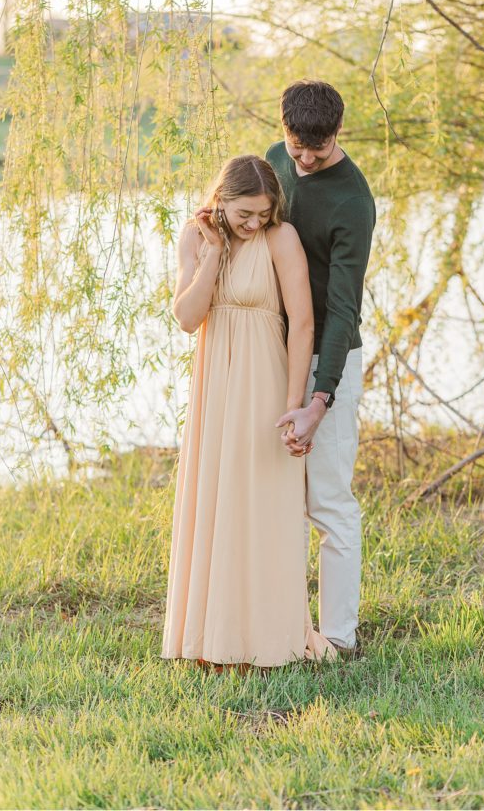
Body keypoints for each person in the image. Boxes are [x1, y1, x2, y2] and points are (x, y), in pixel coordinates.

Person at [161, 154, 337, 669]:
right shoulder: (196, 238)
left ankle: (266, 635)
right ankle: (212, 638)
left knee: (262, 503)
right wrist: (214, 252)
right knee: (216, 499)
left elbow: (302, 324)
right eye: (245, 215)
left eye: (263, 213)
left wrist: (294, 405)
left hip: (266, 382)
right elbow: (188, 319)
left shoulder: (281, 240)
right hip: (216, 383)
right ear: (222, 201)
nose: (255, 223)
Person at [265, 80, 376, 658]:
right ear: (284, 129)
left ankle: (339, 637)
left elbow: (342, 309)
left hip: (327, 360)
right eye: (296, 145)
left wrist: (319, 399)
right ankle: (274, 623)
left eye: (319, 147)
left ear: (338, 132)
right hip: (273, 352)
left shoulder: (353, 203)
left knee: (329, 502)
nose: (304, 158)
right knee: (272, 495)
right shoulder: (274, 159)